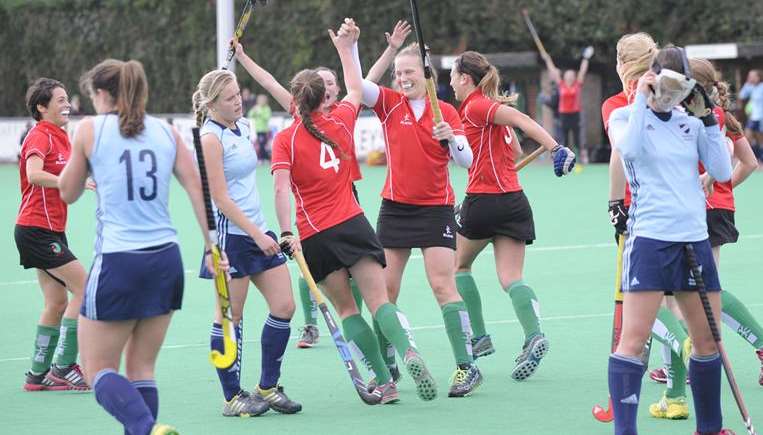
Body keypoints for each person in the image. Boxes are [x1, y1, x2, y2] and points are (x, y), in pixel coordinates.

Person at [271, 20, 437, 404]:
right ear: (319, 99)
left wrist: (285, 230)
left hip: (315, 235)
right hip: (353, 221)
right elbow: (355, 87)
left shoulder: (285, 140)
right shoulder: (342, 119)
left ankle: (385, 382)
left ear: (296, 101)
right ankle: (408, 352)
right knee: (379, 301)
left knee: (347, 309)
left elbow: (281, 189)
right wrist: (348, 50)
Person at [58, 58, 218, 435]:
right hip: (166, 259)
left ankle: (146, 428)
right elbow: (198, 188)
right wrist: (212, 245)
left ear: (101, 94)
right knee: (142, 368)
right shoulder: (166, 132)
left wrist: (81, 157)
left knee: (97, 368)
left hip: (119, 260)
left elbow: (67, 192)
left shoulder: (88, 130)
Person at [234, 20, 411, 350]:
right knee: (320, 271)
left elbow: (363, 78)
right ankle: (311, 324)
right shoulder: (307, 114)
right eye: (324, 83)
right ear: (317, 91)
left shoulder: (341, 113)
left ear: (337, 88)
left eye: (333, 82)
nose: (330, 87)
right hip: (321, 203)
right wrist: (243, 58)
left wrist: (390, 50)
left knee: (346, 276)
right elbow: (270, 81)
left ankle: (361, 330)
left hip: (343, 197)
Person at [607, 46, 734, 435]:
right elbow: (628, 150)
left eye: (678, 88)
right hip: (650, 241)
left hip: (693, 240)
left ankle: (710, 428)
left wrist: (709, 120)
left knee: (707, 342)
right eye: (664, 84)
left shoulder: (691, 123)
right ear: (651, 76)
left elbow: (721, 169)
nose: (670, 95)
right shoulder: (625, 115)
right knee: (632, 341)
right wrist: (644, 99)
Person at [350, 22, 482, 396]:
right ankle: (388, 365)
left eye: (409, 72)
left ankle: (466, 366)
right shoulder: (391, 105)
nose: (402, 78)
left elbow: (466, 161)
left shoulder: (448, 113)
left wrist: (451, 139)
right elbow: (357, 86)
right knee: (384, 291)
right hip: (395, 208)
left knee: (443, 284)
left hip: (435, 209)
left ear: (426, 74)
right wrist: (390, 49)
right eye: (398, 74)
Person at [643, 58, 763, 421]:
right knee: (693, 294)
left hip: (696, 214)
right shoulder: (722, 115)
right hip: (716, 210)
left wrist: (711, 181)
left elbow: (728, 160)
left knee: (693, 295)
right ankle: (677, 375)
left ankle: (680, 380)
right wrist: (722, 184)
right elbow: (750, 164)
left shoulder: (693, 116)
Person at [449, 51, 576, 381]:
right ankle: (534, 334)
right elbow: (516, 150)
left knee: (458, 266)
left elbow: (522, 121)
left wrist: (555, 147)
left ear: (466, 79)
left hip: (483, 200)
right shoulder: (488, 109)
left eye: (453, 74)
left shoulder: (476, 106)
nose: (450, 79)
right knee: (511, 278)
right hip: (514, 202)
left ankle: (479, 337)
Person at [193, 69, 302, 417]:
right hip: (232, 239)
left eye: (239, 94)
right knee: (230, 316)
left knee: (284, 306)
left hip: (258, 230)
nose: (239, 100)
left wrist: (265, 231)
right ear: (212, 104)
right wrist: (257, 235)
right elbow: (221, 198)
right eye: (230, 98)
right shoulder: (210, 138)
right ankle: (232, 396)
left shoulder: (240, 127)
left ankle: (267, 387)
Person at [16, 78, 89, 392]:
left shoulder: (63, 137)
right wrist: (65, 183)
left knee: (57, 301)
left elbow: (73, 171)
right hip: (36, 229)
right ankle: (63, 367)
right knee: (85, 290)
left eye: (66, 98)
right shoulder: (40, 136)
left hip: (50, 230)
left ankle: (36, 375)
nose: (66, 104)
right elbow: (34, 173)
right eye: (59, 100)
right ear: (41, 108)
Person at [542, 46, 593, 162]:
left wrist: (586, 59)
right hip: (563, 114)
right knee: (563, 139)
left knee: (577, 139)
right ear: (565, 76)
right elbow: (553, 71)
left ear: (574, 77)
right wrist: (547, 59)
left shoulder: (577, 84)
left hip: (575, 114)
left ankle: (583, 158)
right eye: (567, 75)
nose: (569, 77)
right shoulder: (561, 84)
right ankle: (564, 159)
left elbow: (582, 71)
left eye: (571, 75)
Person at [739, 70, 763, 160]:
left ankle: (760, 159)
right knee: (747, 137)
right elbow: (741, 95)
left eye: (753, 76)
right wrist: (747, 83)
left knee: (760, 139)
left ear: (758, 77)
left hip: (761, 118)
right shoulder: (750, 87)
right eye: (750, 76)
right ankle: (749, 158)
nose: (751, 78)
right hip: (753, 117)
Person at [247, 94, 272, 160]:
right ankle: (264, 158)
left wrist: (259, 112)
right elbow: (250, 115)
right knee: (259, 145)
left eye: (262, 100)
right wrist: (254, 110)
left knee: (262, 145)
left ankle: (266, 158)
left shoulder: (267, 108)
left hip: (264, 130)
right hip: (257, 130)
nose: (261, 101)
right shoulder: (257, 107)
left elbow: (267, 117)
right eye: (259, 100)